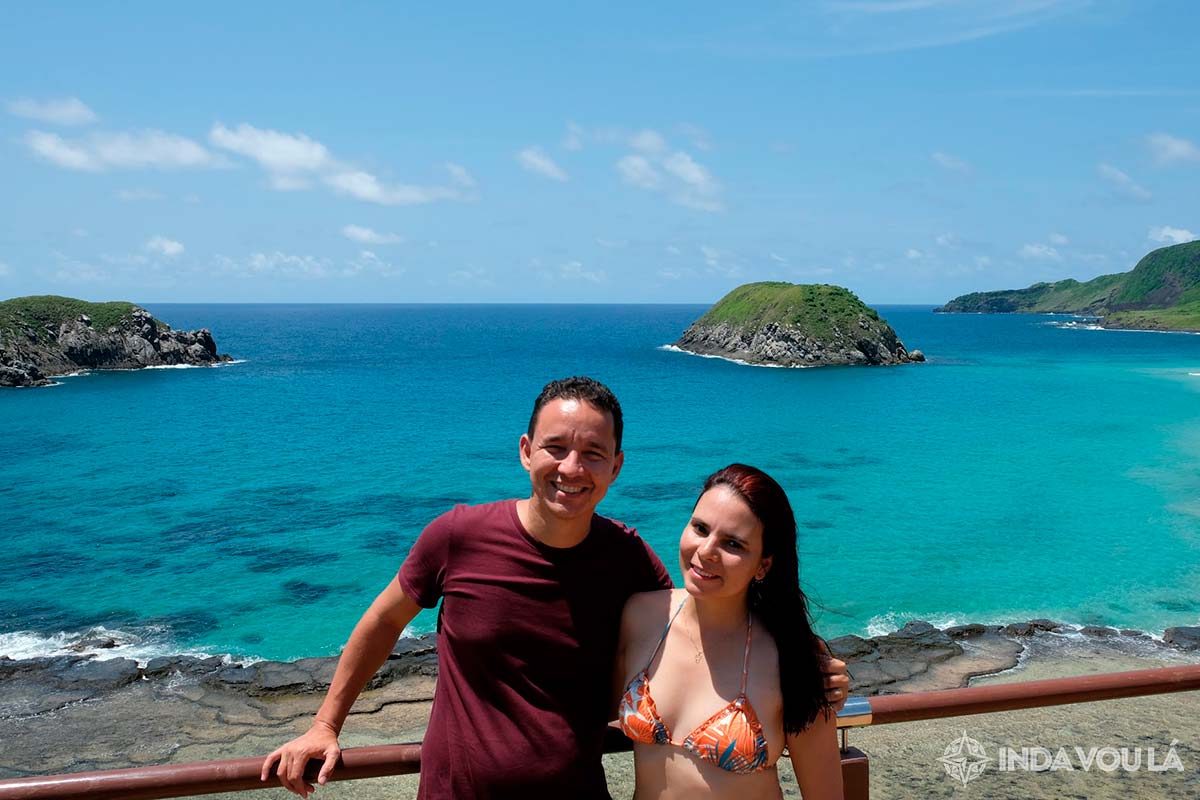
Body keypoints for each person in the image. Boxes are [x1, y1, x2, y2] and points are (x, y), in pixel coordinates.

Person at [261, 377, 849, 799]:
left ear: (616, 467)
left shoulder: (631, 565)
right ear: (525, 451)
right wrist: (326, 724)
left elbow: (705, 623)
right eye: (556, 447)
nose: (572, 468)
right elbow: (385, 621)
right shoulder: (457, 536)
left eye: (593, 453)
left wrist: (810, 664)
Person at [617, 464, 843, 799]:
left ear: (763, 565)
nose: (706, 551)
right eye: (700, 528)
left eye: (733, 544)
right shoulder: (642, 616)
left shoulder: (791, 655)